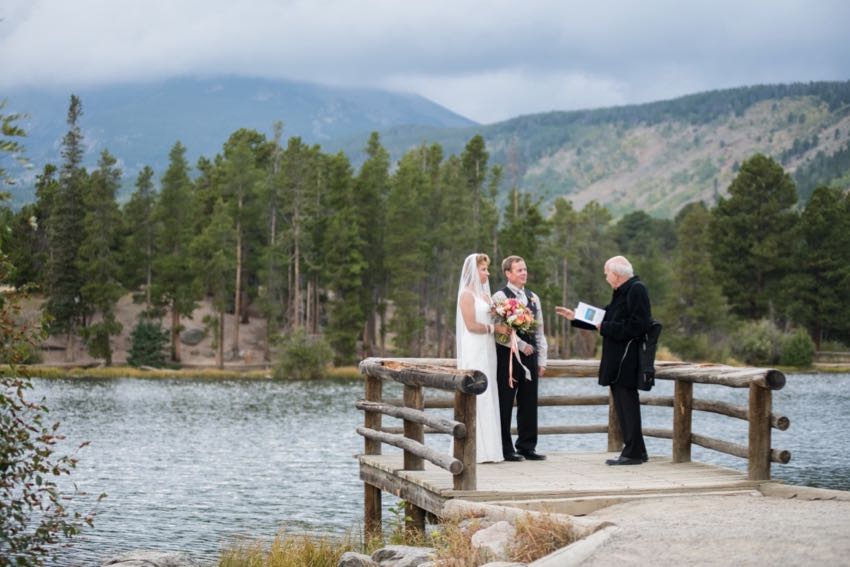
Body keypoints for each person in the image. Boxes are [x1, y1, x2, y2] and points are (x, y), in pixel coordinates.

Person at [555, 255, 651, 465]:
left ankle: (633, 453)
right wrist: (575, 317)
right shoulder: (622, 291)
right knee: (623, 404)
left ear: (616, 274)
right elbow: (604, 317)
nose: (605, 277)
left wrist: (606, 328)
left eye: (606, 273)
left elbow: (639, 325)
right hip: (618, 357)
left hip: (627, 357)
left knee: (627, 404)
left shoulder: (636, 290)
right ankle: (638, 450)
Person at [492, 255, 548, 462]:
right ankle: (505, 448)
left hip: (531, 356)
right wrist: (520, 345)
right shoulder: (500, 296)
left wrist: (542, 360)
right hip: (508, 356)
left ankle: (527, 446)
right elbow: (497, 330)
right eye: (519, 270)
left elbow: (540, 331)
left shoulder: (533, 297)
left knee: (529, 401)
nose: (524, 273)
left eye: (525, 269)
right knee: (505, 401)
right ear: (508, 273)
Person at [456, 253, 506, 463]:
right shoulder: (466, 295)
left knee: (489, 390)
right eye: (484, 269)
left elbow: (492, 318)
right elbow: (470, 325)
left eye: (487, 269)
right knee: (478, 390)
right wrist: (495, 329)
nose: (488, 273)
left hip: (488, 347)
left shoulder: (485, 296)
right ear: (473, 271)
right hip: (475, 346)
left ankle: (491, 449)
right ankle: (475, 448)